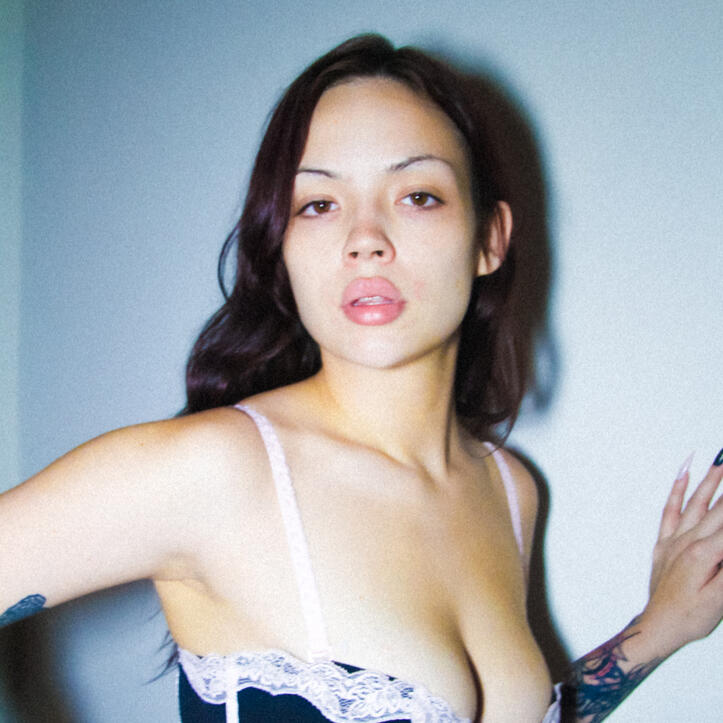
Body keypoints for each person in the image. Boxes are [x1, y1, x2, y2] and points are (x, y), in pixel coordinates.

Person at [1, 34, 721, 723]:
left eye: (418, 195)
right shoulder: (216, 469)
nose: (365, 238)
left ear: (489, 239)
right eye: (318, 204)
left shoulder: (508, 488)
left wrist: (659, 626)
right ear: (281, 246)